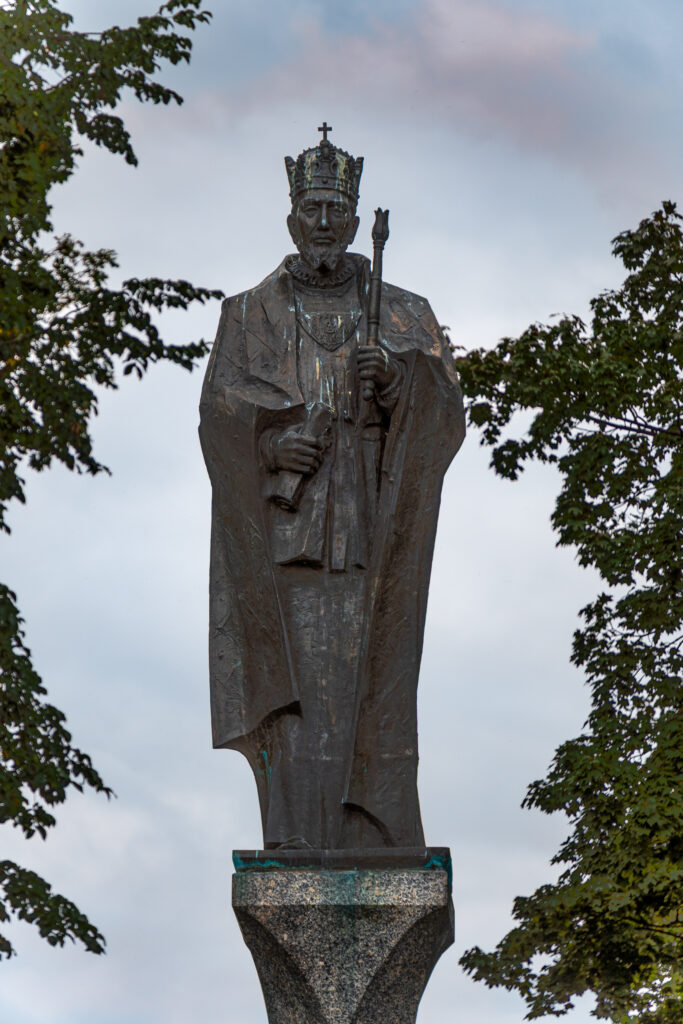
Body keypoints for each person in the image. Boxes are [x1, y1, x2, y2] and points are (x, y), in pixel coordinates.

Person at [199, 129, 465, 850]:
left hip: (371, 532)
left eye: (335, 210)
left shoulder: (404, 312)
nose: (323, 221)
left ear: (353, 220)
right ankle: (292, 838)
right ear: (292, 218)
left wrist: (401, 383)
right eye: (311, 208)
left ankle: (370, 833)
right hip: (284, 543)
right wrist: (270, 444)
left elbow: (446, 415)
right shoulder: (247, 314)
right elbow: (218, 418)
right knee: (291, 692)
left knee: (366, 682)